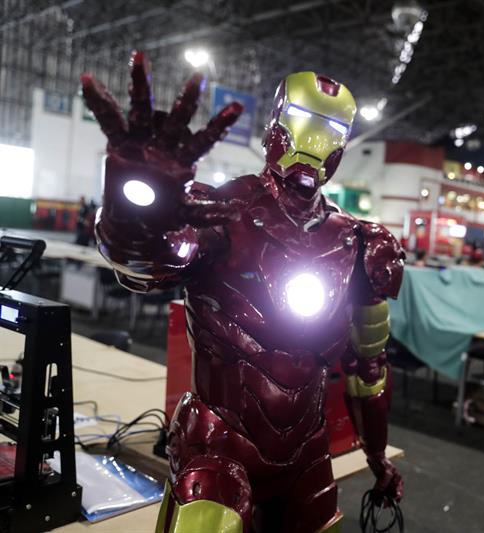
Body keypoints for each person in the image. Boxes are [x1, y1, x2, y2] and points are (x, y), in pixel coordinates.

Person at [82, 52, 402, 533]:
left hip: (308, 454)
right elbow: (146, 264)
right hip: (218, 443)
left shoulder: (357, 243)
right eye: (305, 117)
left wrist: (378, 457)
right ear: (277, 122)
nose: (317, 139)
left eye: (334, 128)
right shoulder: (221, 212)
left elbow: (369, 369)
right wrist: (137, 202)